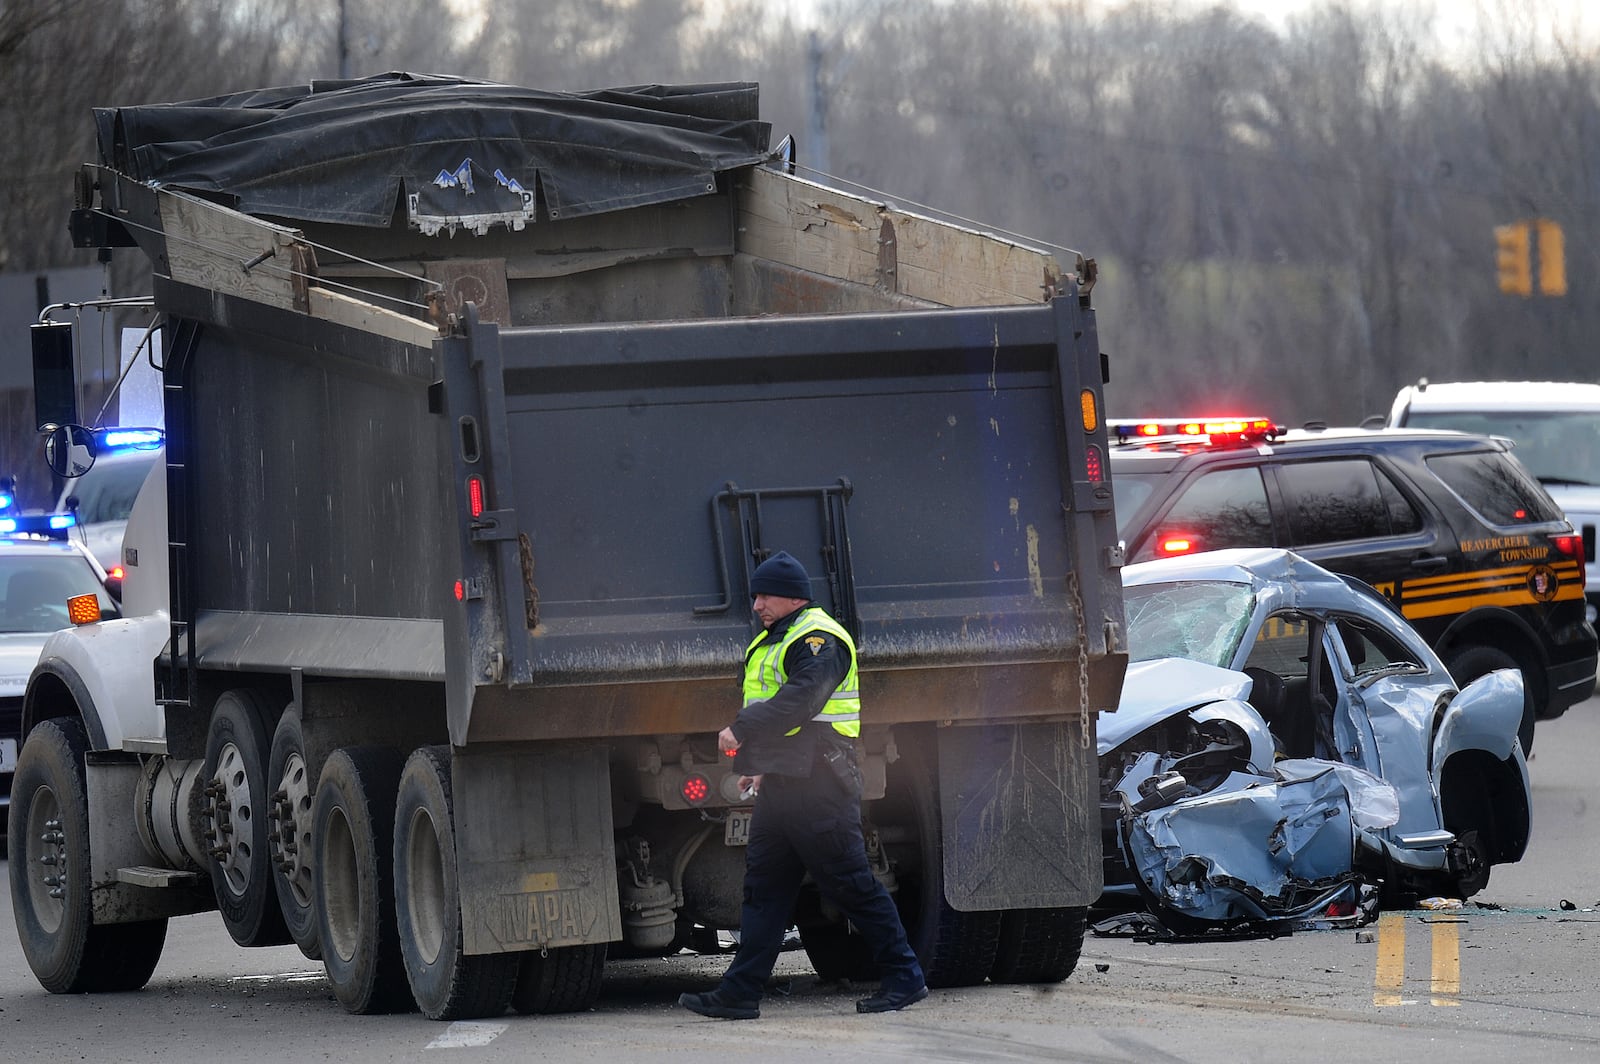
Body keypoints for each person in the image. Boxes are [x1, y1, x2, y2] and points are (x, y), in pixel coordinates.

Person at [678, 551, 928, 1020]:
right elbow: (790, 719)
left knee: (851, 885)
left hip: (820, 785)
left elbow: (801, 702)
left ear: (793, 596)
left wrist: (743, 728)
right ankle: (741, 991)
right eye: (753, 595)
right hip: (786, 783)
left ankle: (905, 977)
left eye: (765, 595)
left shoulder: (819, 639)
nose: (756, 605)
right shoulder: (779, 638)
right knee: (764, 889)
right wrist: (761, 766)